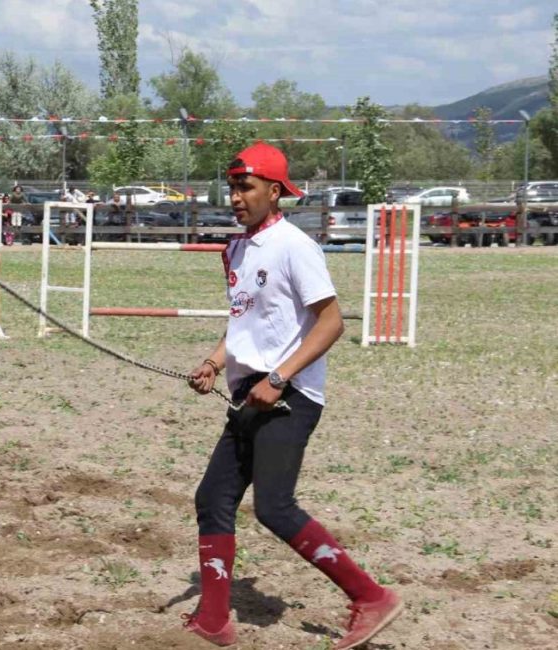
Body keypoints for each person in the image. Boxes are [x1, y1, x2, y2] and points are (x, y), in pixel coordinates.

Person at [182, 143, 401, 649]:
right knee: (212, 498)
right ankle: (213, 619)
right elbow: (244, 323)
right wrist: (215, 363)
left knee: (274, 507)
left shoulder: (295, 246)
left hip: (290, 394)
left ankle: (370, 597)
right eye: (233, 187)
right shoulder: (235, 249)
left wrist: (278, 377)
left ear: (275, 192)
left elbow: (331, 323)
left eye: (247, 187)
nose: (236, 196)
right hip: (247, 392)